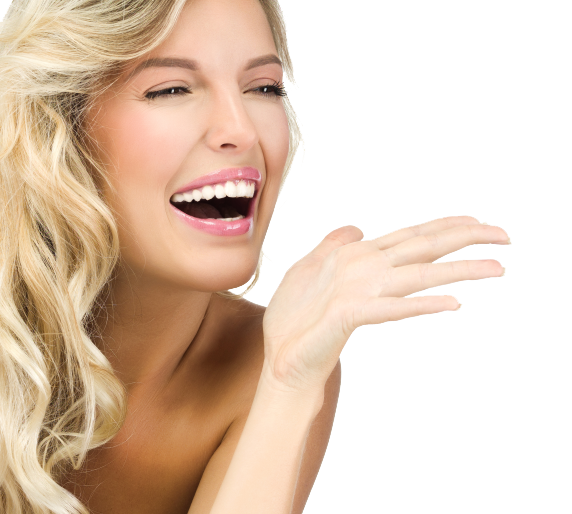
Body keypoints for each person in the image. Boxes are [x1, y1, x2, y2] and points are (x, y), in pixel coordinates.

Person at [0, 0, 511, 512]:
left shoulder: (271, 364)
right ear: (59, 125)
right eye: (172, 89)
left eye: (264, 87)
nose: (242, 131)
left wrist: (289, 386)